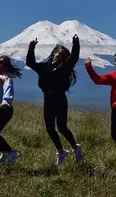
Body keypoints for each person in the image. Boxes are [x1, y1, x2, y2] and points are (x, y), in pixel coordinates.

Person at [26, 34, 83, 167]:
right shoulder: (44, 66)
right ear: (54, 53)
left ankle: (75, 147)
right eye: (60, 53)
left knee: (62, 128)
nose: (61, 56)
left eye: (64, 55)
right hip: (48, 99)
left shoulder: (65, 68)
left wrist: (76, 42)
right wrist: (31, 46)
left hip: (60, 99)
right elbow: (30, 63)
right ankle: (61, 151)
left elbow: (74, 57)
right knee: (50, 128)